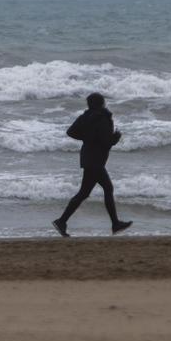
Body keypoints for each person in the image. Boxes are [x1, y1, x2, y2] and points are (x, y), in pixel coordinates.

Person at [52, 92, 132, 237]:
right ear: (101, 104)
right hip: (96, 160)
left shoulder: (85, 117)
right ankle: (115, 224)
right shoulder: (103, 118)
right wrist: (117, 137)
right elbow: (106, 141)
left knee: (84, 193)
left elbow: (70, 132)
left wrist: (86, 138)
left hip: (88, 157)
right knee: (107, 188)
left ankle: (62, 221)